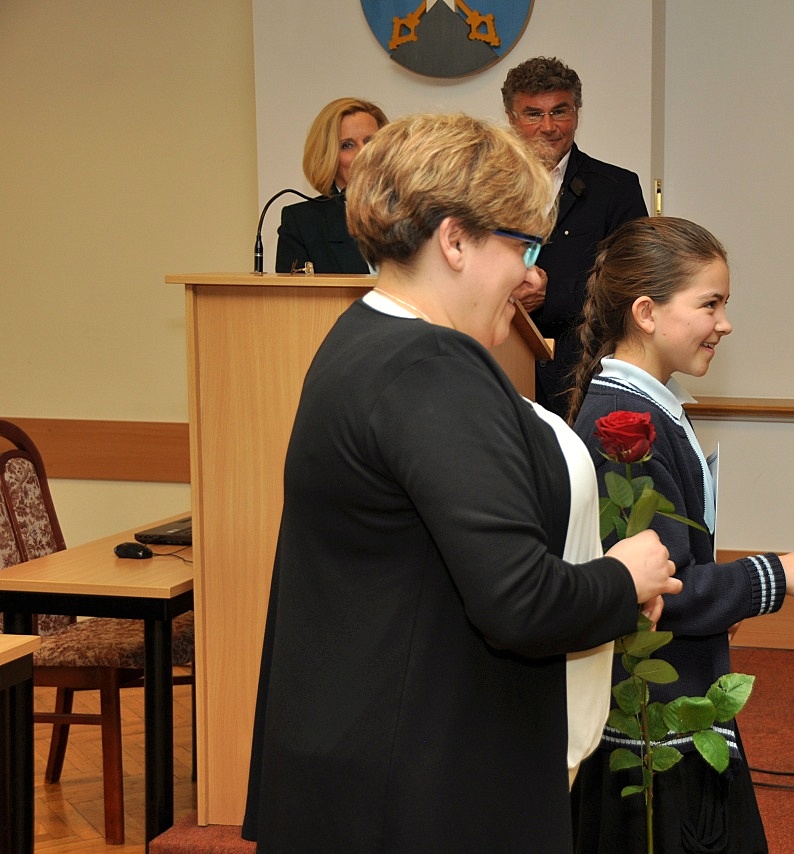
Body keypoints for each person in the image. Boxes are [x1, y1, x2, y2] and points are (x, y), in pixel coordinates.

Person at [242, 112, 682, 853]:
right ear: (454, 241)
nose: (530, 276)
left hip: (362, 756)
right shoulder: (432, 368)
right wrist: (624, 576)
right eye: (522, 246)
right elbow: (520, 601)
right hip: (415, 788)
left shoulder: (363, 335)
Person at [568, 217, 794, 853]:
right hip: (652, 720)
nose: (725, 324)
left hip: (678, 692)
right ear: (646, 313)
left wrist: (730, 601)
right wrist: (778, 576)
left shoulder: (649, 406)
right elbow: (657, 591)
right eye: (709, 304)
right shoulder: (622, 421)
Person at [502, 56, 648, 418]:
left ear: (577, 112)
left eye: (560, 111)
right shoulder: (482, 186)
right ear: (511, 118)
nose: (548, 127)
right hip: (499, 372)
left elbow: (634, 282)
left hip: (583, 382)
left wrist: (551, 295)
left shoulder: (616, 188)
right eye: (533, 114)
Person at [274, 97, 389, 274]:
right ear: (328, 157)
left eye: (370, 141)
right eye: (347, 145)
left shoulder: (416, 210)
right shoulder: (303, 224)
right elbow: (294, 293)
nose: (363, 153)